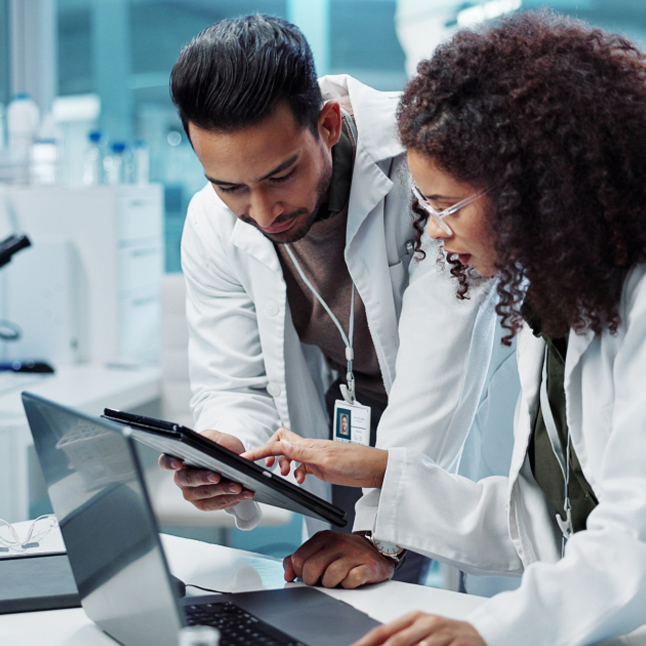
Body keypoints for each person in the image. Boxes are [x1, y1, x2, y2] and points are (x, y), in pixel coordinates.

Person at [244, 11, 646, 645]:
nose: (433, 230)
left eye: (446, 206)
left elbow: (635, 547)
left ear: (536, 191)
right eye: (425, 207)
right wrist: (382, 471)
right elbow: (536, 525)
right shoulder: (553, 313)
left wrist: (490, 633)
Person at [160, 14, 513, 586]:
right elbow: (234, 383)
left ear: (327, 124)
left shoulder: (426, 161)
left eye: (280, 175)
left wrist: (381, 536)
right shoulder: (210, 221)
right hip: (347, 419)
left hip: (462, 409)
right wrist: (226, 451)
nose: (263, 212)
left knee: (477, 590)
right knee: (348, 595)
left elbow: (440, 369)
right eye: (230, 186)